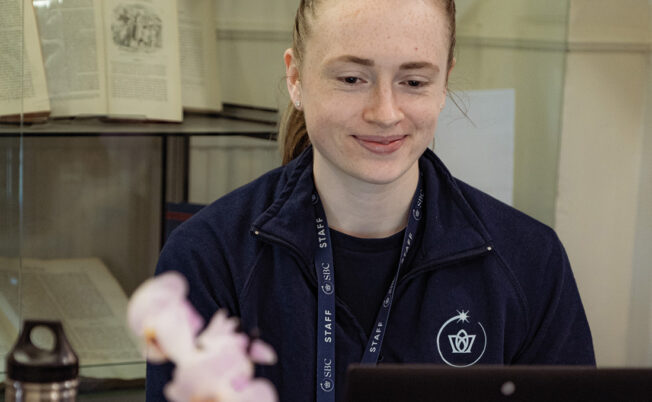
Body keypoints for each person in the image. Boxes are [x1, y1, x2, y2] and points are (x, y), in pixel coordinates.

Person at [147, 0, 595, 400]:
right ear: (296, 78)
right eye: (351, 78)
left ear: (444, 84)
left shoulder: (532, 263)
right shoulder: (207, 259)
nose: (385, 112)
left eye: (414, 81)